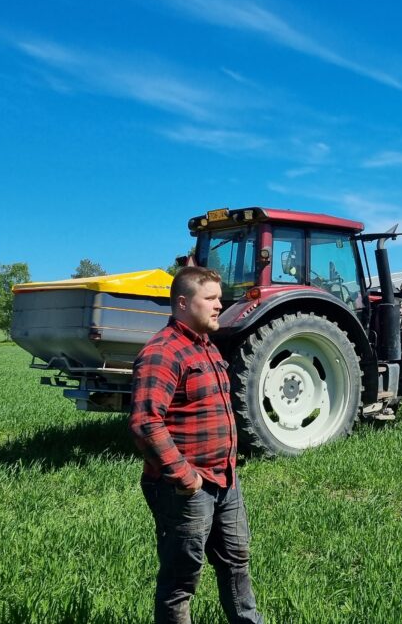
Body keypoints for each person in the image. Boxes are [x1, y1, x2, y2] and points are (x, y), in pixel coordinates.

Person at [130, 266, 264, 624]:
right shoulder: (163, 352)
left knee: (236, 563)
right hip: (186, 488)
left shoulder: (206, 347)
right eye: (211, 298)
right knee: (181, 580)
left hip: (225, 480)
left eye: (219, 297)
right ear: (183, 303)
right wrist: (184, 476)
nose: (220, 305)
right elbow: (145, 422)